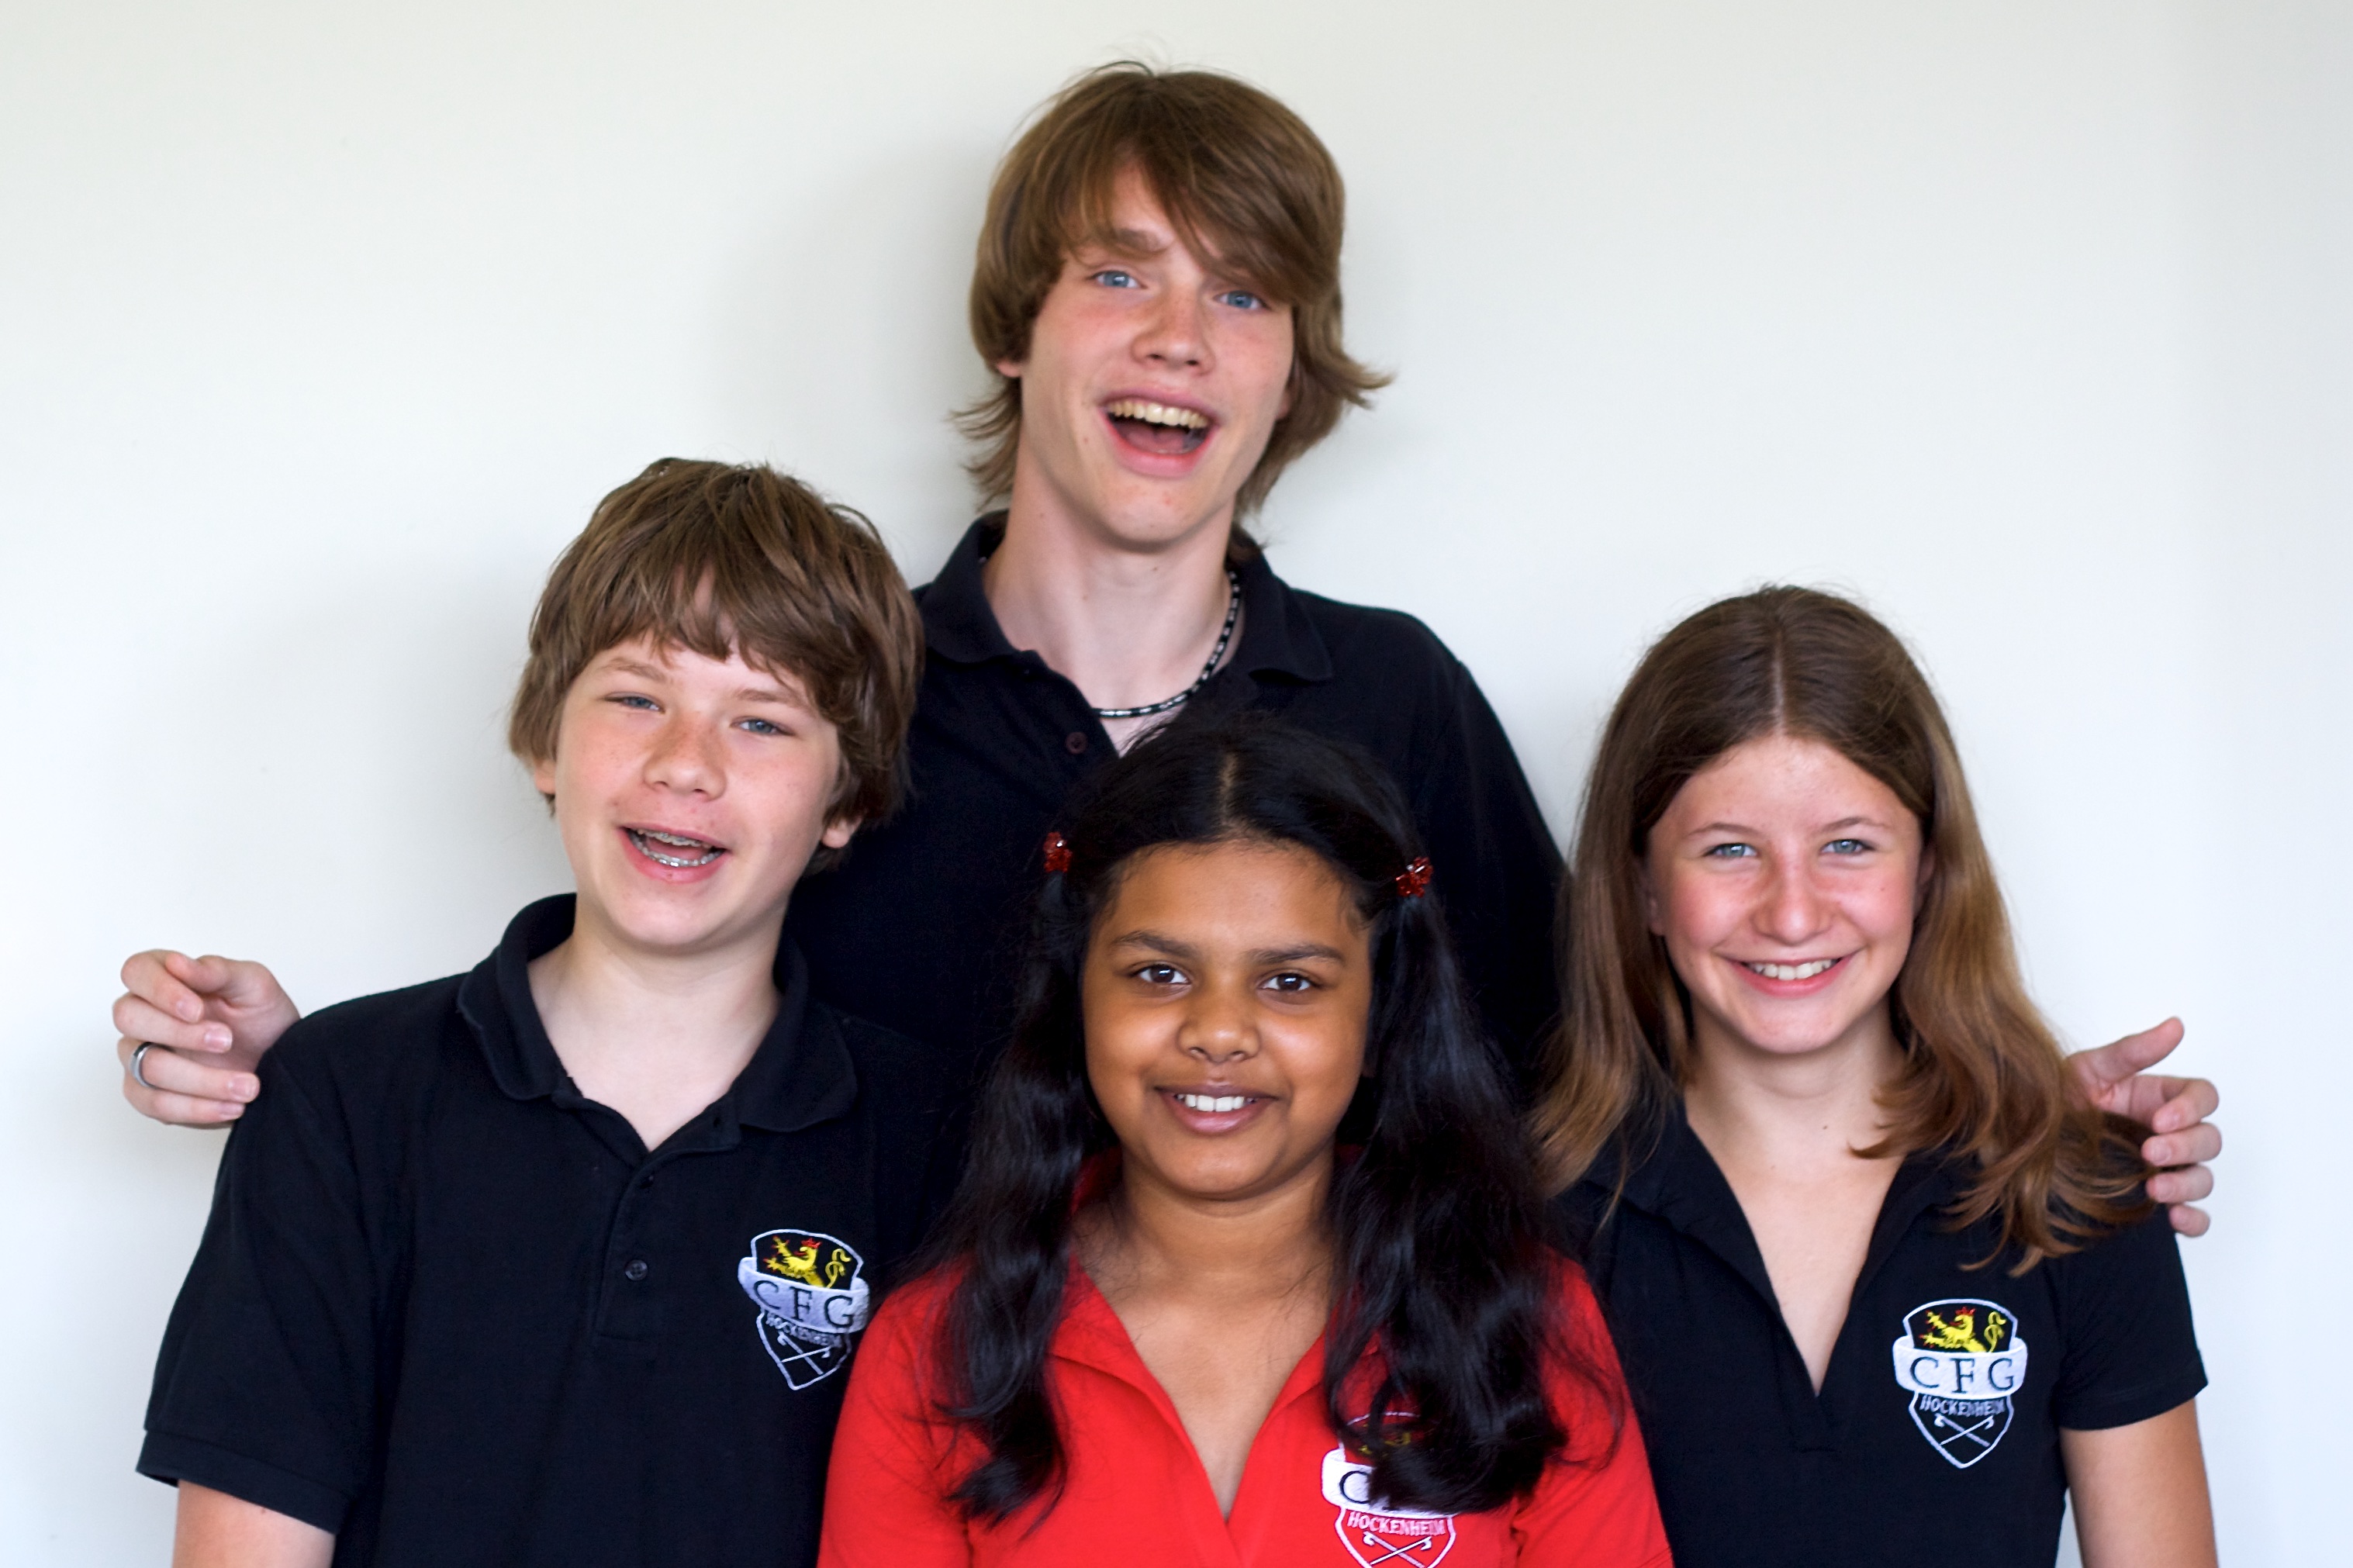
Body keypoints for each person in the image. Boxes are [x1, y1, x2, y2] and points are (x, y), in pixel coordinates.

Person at [112, 62, 2222, 1220]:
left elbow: (1606, 1082)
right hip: (858, 1454)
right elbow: (643, 979)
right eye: (1121, 273)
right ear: (1017, 325)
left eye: (1241, 292)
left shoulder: (1391, 702)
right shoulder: (835, 692)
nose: (1177, 337)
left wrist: (1989, 1128)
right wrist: (329, 1082)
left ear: (1291, 368)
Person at [140, 461, 959, 1568]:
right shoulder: (342, 1094)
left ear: (847, 797)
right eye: (636, 698)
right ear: (543, 741)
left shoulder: (934, 1139)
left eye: (762, 722)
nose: (685, 764)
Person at [819, 714, 1671, 1566]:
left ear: (1381, 1019)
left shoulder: (1521, 1319)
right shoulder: (935, 1345)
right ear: (1076, 1000)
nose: (1219, 1032)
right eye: (1160, 974)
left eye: (1290, 982)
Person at [1536, 587, 2214, 1568]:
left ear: (1929, 870)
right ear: (1642, 884)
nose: (1793, 914)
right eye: (1730, 850)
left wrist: (2048, 1125)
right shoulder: (1527, 1217)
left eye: (1848, 845)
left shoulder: (2074, 1196)